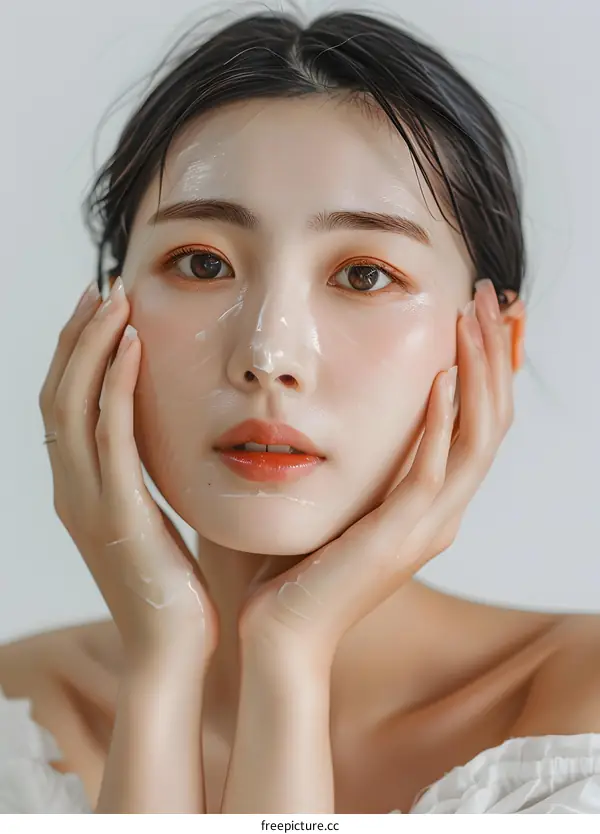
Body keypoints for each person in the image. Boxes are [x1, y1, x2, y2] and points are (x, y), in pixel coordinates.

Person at [1, 6, 599, 815]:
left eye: (363, 275)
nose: (268, 355)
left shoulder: (574, 729)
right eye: (202, 261)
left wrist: (288, 655)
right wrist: (162, 663)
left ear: (496, 341)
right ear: (104, 319)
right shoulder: (21, 719)